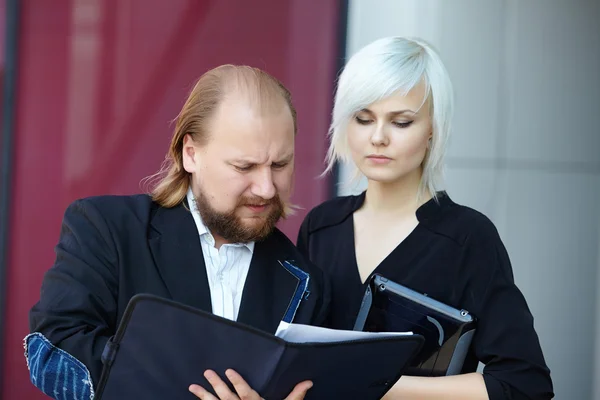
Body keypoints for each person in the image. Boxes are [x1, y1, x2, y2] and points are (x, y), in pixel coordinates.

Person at [25, 65, 329, 400]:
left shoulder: (307, 282)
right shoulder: (105, 227)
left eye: (280, 165)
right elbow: (53, 352)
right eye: (244, 166)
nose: (267, 188)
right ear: (191, 154)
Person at [297, 37, 554, 400]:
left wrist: (381, 386)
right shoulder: (321, 227)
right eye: (363, 118)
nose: (378, 137)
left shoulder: (468, 238)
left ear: (432, 128)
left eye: (401, 122)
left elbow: (524, 384)